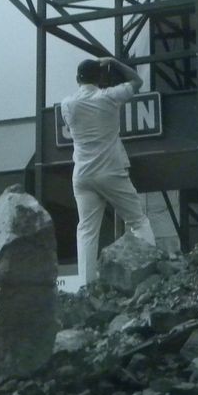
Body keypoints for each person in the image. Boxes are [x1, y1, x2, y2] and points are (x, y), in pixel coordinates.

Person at [59, 55, 156, 285]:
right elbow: (136, 82)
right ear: (101, 77)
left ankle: (85, 285)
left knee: (86, 231)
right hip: (110, 171)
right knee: (138, 221)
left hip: (82, 175)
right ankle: (152, 272)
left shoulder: (67, 104)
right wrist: (115, 62)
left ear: (77, 79)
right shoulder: (109, 97)